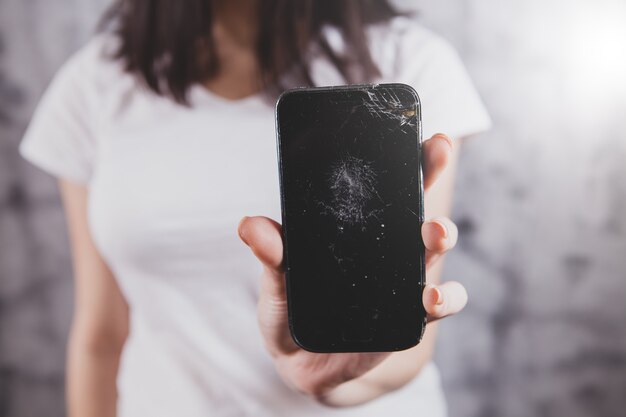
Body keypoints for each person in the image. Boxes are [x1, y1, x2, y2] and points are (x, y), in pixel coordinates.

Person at [19, 0, 491, 416]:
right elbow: (101, 336)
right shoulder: (94, 83)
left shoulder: (410, 60)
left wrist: (324, 382)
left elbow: (409, 344)